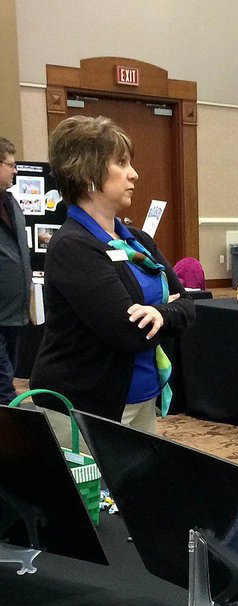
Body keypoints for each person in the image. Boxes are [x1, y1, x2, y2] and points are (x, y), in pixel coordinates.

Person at [30, 116, 194, 433]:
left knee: (139, 482)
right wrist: (168, 313)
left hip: (142, 399)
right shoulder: (72, 246)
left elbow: (187, 305)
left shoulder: (137, 240)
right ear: (88, 173)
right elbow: (128, 333)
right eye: (121, 163)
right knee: (95, 485)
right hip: (85, 407)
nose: (134, 173)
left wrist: (160, 314)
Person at [0, 137, 32, 405]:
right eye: (11, 164)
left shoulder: (12, 204)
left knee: (6, 379)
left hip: (14, 313)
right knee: (4, 388)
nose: (15, 170)